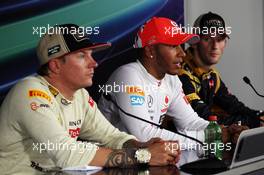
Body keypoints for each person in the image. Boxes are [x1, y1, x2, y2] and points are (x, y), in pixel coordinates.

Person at [0, 24, 180, 174]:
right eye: (81, 56)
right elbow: (67, 154)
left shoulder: (79, 95)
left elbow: (110, 136)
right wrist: (144, 156)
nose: (94, 63)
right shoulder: (29, 92)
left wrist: (142, 145)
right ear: (55, 65)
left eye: (91, 55)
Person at [98, 17, 212, 149]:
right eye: (174, 46)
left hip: (136, 158)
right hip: (102, 162)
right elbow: (144, 136)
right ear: (150, 51)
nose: (182, 53)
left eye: (181, 46)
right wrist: (207, 138)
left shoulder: (171, 79)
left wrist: (220, 131)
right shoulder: (127, 75)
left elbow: (190, 122)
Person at [178, 12, 263, 128]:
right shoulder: (180, 72)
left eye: (220, 39)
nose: (215, 46)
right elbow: (205, 117)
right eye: (208, 39)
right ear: (194, 42)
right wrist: (253, 121)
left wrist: (258, 115)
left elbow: (233, 105)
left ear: (225, 43)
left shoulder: (211, 75)